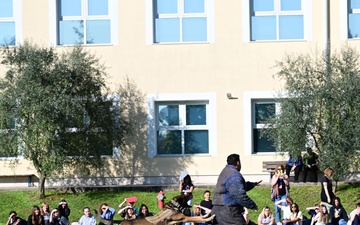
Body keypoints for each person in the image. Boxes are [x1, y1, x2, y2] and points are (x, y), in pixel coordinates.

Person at [212, 153, 260, 225]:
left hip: (217, 209)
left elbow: (234, 188)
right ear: (238, 162)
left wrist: (251, 184)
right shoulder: (234, 175)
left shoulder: (225, 171)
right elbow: (239, 195)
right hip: (228, 212)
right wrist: (252, 205)